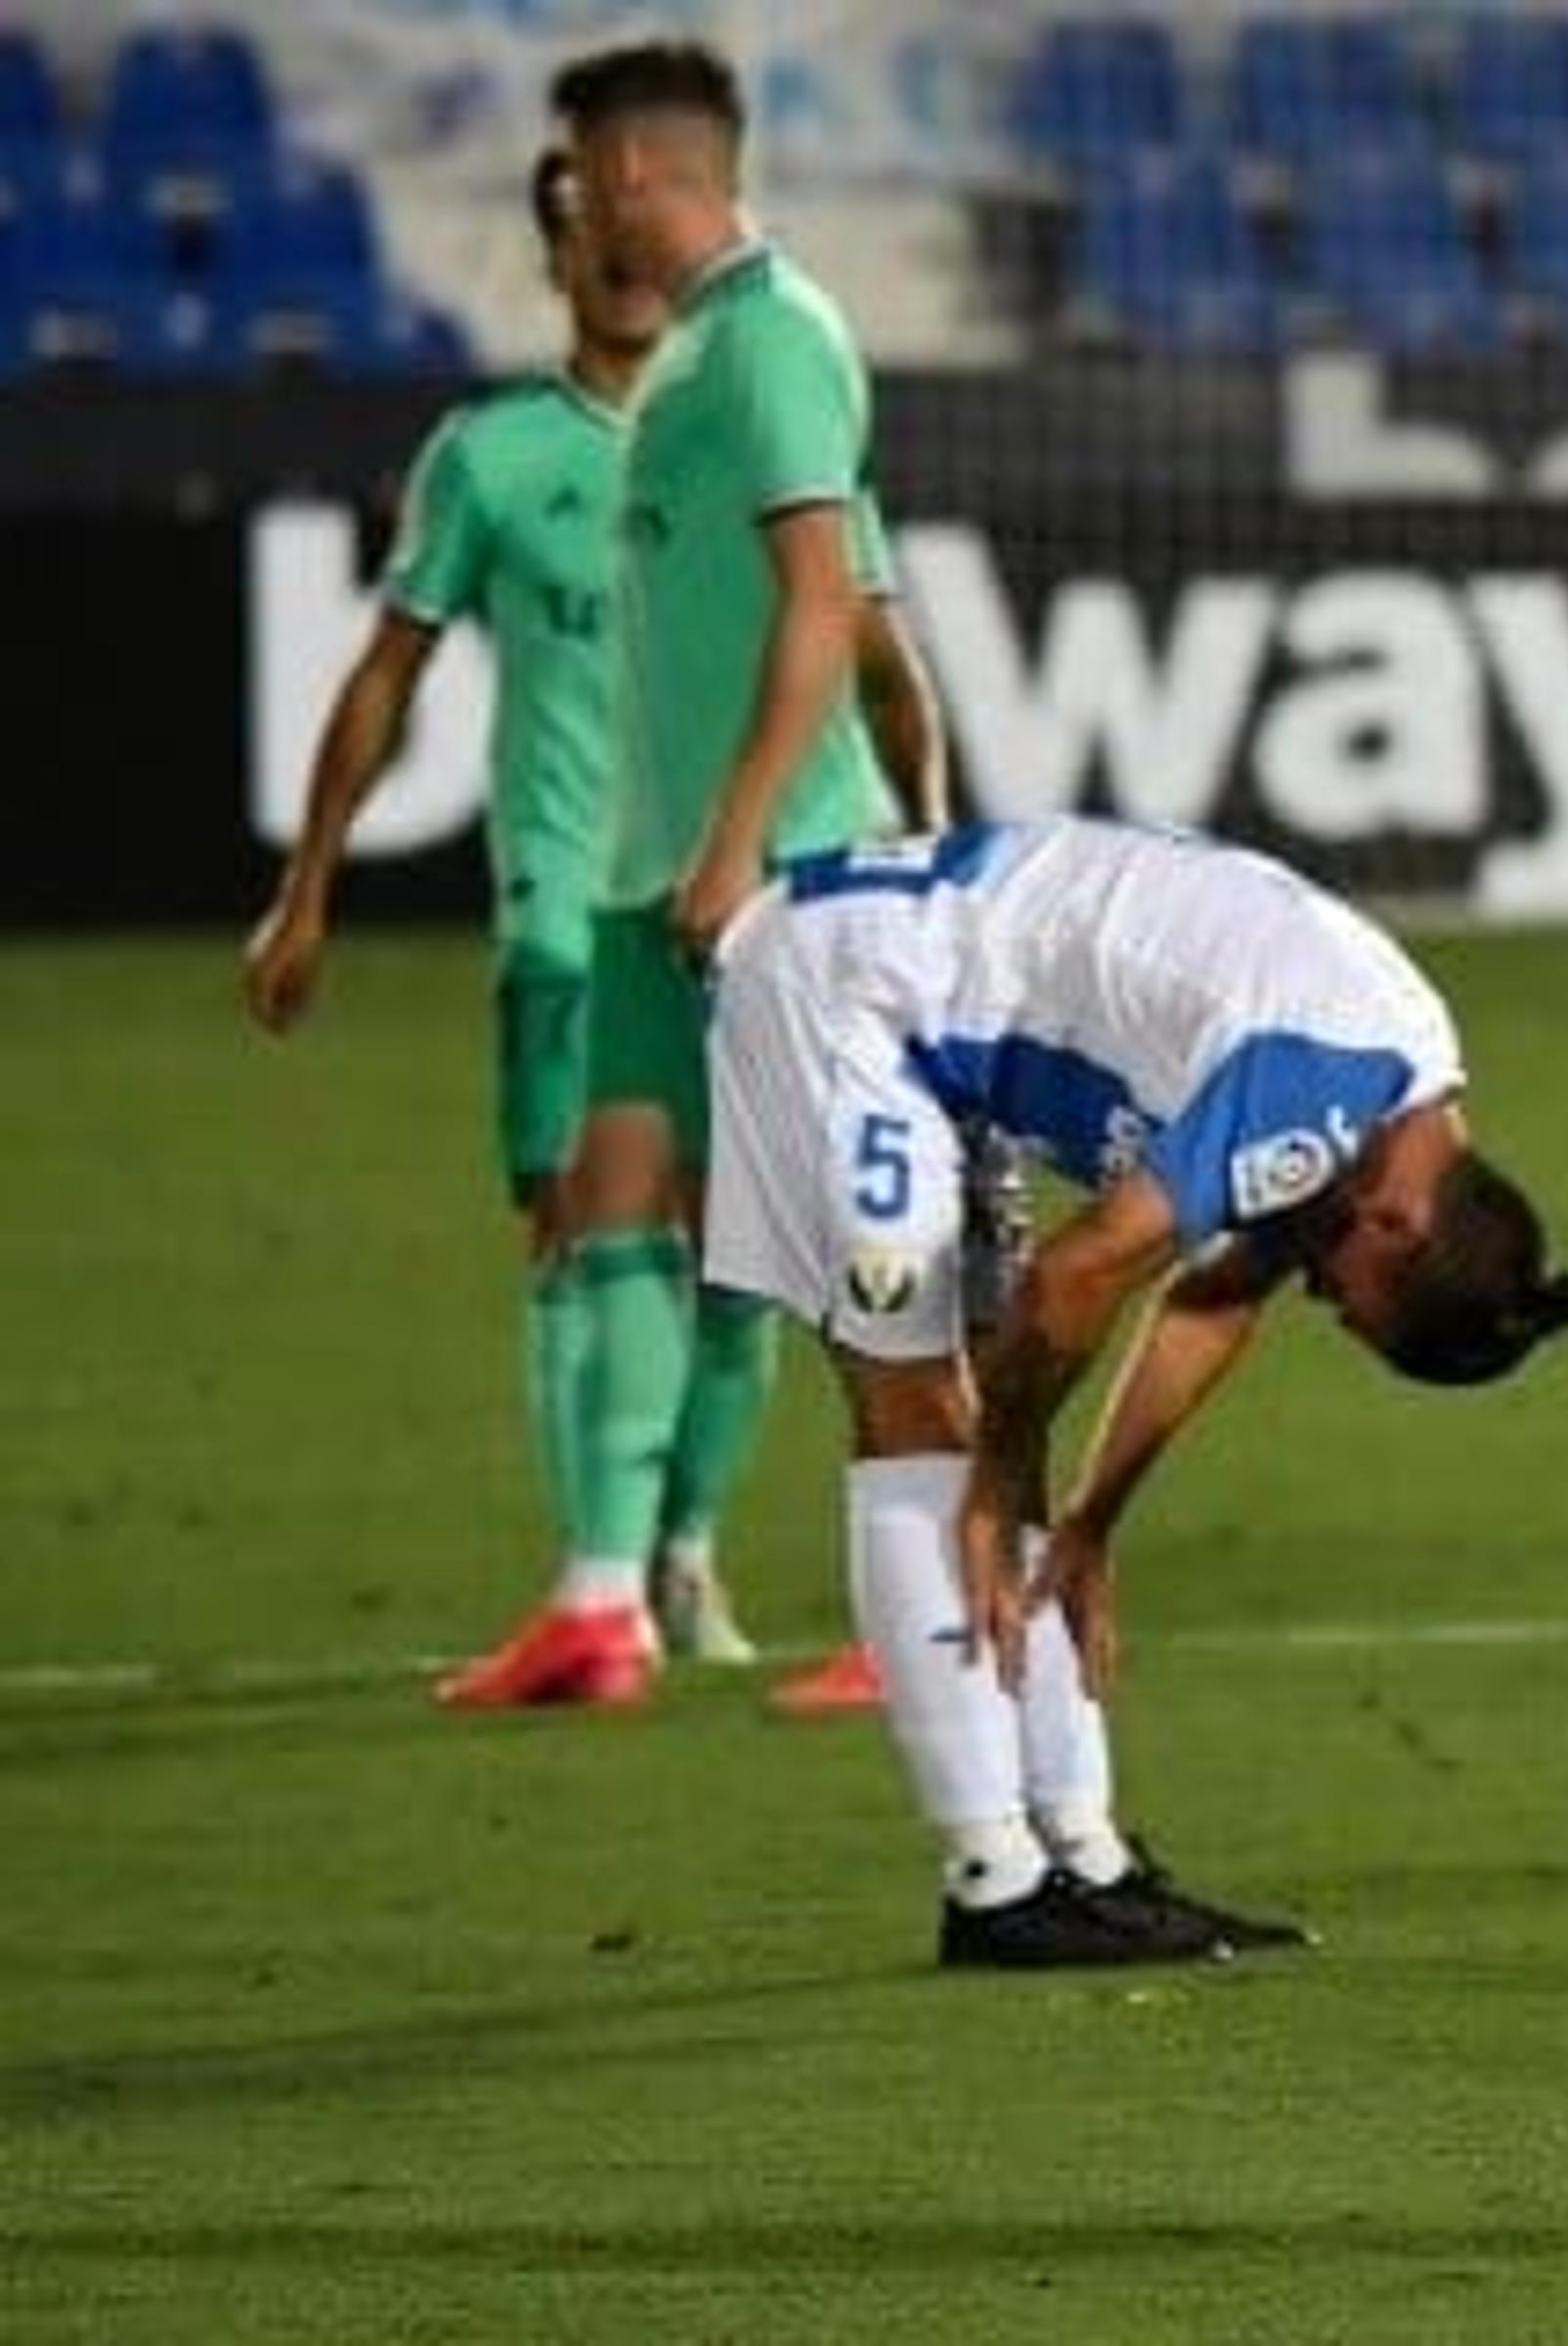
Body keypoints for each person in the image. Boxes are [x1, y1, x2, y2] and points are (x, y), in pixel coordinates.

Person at [699, 815, 1568, 1966]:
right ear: (1398, 1223)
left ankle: (1083, 1857)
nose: (1320, 1292)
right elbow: (1079, 1273)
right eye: (1348, 1294)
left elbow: (1213, 1299)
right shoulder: (1320, 1095)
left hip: (936, 1020)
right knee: (921, 1410)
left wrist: (1089, 1517)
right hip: (846, 992)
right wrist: (1001, 1477)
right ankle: (993, 1880)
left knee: (996, 1418)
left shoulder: (1395, 1107)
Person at [433, 37, 950, 1713]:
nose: (576, 208)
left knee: (852, 1243)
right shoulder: (704, 359)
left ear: (641, 175)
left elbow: (826, 605)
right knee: (613, 1195)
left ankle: (932, 1608)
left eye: (583, 177)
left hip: (778, 873)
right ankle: (601, 1603)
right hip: (655, 882)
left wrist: (759, 842)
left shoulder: (781, 343)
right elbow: (861, 623)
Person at [240, 149, 784, 1688]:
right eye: (581, 232)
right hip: (565, 913)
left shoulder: (740, 437)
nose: (614, 254)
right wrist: (305, 891)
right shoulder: (487, 458)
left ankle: (681, 1556)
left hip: (728, 907)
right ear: (552, 259)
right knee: (579, 1232)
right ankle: (597, 1584)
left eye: (634, 227)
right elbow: (386, 675)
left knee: (742, 1253)